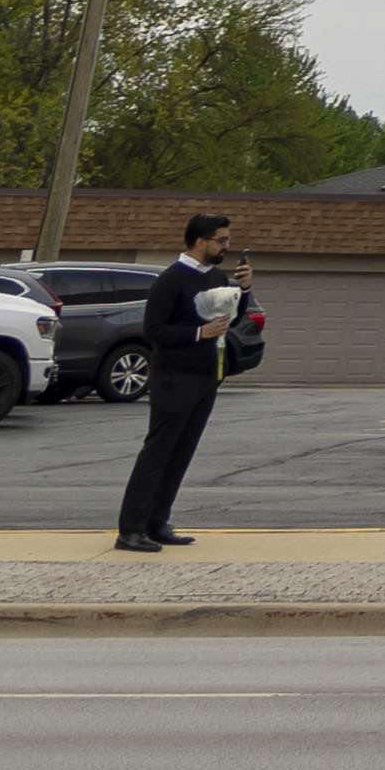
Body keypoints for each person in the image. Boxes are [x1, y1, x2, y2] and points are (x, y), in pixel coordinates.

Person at [113, 212, 247, 552]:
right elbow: (153, 330)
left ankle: (157, 523)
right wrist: (198, 333)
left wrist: (243, 290)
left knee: (182, 452)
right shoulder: (172, 279)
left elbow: (232, 317)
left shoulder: (215, 276)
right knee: (159, 452)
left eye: (228, 240)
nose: (227, 246)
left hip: (205, 376)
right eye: (222, 240)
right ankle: (130, 529)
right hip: (174, 376)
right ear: (201, 242)